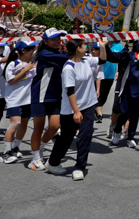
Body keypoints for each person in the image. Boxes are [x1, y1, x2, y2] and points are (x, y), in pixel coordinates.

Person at [46, 38, 107, 180]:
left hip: (89, 105)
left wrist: (103, 46)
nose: (86, 47)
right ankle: (53, 162)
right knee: (66, 138)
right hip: (71, 109)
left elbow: (103, 60)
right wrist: (76, 111)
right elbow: (70, 91)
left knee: (85, 136)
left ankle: (80, 166)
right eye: (84, 45)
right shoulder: (68, 68)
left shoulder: (87, 60)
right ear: (78, 48)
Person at [28, 28, 69, 171]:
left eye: (59, 38)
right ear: (45, 41)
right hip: (40, 95)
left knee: (55, 126)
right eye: (54, 39)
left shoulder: (58, 53)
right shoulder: (44, 54)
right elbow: (67, 58)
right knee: (38, 128)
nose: (57, 41)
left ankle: (40, 149)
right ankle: (35, 158)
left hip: (56, 96)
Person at [108, 38, 139, 147]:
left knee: (135, 115)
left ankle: (130, 137)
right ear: (136, 46)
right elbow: (118, 58)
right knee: (124, 112)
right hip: (127, 89)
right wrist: (126, 46)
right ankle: (117, 131)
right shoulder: (130, 55)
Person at [0, 40, 39, 164]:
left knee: (24, 124)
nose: (33, 51)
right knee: (15, 123)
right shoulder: (13, 64)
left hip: (28, 100)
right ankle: (6, 152)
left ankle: (16, 147)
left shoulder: (32, 64)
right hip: (14, 99)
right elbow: (11, 81)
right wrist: (26, 69)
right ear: (23, 50)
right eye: (31, 49)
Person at [95, 42, 118, 123]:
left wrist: (118, 71)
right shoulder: (99, 44)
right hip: (100, 75)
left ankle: (97, 109)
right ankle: (99, 114)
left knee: (104, 95)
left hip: (111, 75)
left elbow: (120, 60)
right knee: (99, 94)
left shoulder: (119, 47)